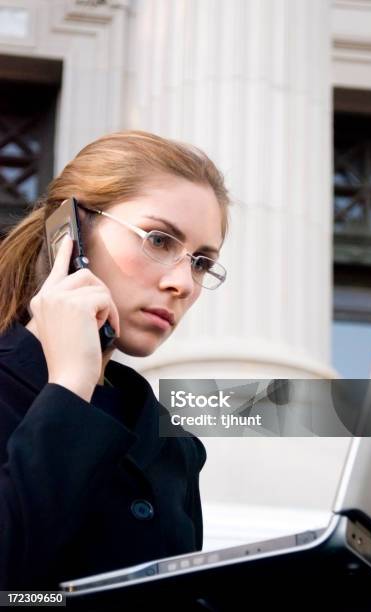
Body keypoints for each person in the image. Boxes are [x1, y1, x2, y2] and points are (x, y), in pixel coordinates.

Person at [0, 130, 230, 590]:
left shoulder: (175, 447)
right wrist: (68, 386)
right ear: (68, 232)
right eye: (160, 240)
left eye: (202, 262)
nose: (183, 283)